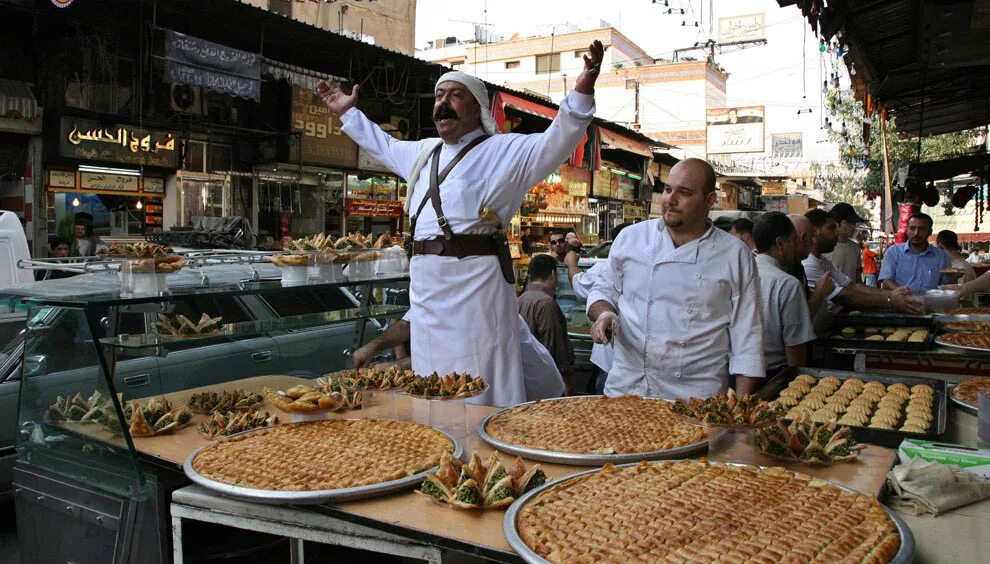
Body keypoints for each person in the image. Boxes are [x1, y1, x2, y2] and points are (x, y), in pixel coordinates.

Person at [319, 40, 603, 407]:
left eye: (455, 94)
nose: (443, 102)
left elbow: (557, 139)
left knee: (481, 381)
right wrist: (348, 114)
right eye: (439, 95)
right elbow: (381, 144)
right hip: (426, 294)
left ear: (477, 108)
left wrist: (583, 88)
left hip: (477, 293)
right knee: (431, 383)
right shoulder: (423, 153)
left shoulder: (503, 151)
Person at [586, 158, 765, 399]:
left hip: (696, 400)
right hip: (625, 390)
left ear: (709, 200)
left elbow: (748, 339)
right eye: (668, 189)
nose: (670, 200)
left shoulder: (734, 254)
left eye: (684, 192)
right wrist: (604, 314)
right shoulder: (631, 238)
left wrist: (741, 414)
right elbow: (603, 290)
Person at [351, 315, 566, 401]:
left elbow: (451, 354)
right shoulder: (441, 289)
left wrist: (395, 366)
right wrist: (372, 347)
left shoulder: (483, 307)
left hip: (541, 391)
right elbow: (407, 324)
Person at [802, 208, 923, 336]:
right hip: (810, 336)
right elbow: (843, 296)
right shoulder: (809, 264)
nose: (836, 232)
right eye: (831, 228)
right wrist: (890, 300)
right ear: (815, 231)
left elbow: (852, 286)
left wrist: (891, 294)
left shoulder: (823, 260)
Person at [562, 222, 629, 394]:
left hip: (621, 361)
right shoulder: (607, 268)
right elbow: (591, 292)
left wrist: (571, 263)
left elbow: (579, 284)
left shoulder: (605, 266)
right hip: (611, 357)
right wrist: (604, 314)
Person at [752, 213, 816, 374]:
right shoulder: (787, 284)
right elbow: (795, 348)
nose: (796, 246)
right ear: (780, 243)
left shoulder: (740, 274)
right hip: (775, 375)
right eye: (794, 240)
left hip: (739, 374)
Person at [518, 254, 574, 395]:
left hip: (529, 378)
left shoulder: (520, 299)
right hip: (549, 381)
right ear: (553, 274)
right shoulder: (546, 303)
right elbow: (555, 347)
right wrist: (566, 382)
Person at [879, 213, 951, 291]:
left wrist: (953, 278)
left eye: (922, 229)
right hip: (901, 300)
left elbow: (946, 285)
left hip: (930, 301)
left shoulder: (941, 256)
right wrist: (903, 293)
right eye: (912, 228)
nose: (916, 233)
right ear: (907, 230)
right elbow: (886, 279)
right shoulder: (894, 252)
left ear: (930, 232)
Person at [787, 214, 835, 319]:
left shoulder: (797, 265)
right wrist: (820, 292)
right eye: (812, 237)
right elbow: (800, 319)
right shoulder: (788, 269)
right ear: (803, 238)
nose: (814, 242)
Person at [823, 202, 865, 283]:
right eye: (849, 222)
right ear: (836, 223)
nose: (853, 226)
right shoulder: (825, 248)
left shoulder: (855, 247)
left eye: (854, 223)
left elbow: (858, 277)